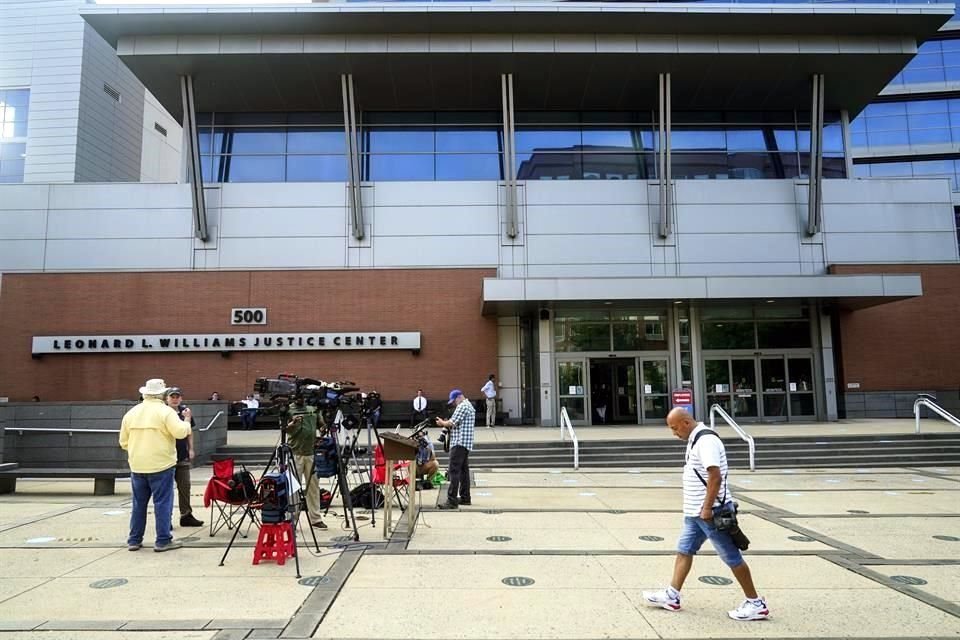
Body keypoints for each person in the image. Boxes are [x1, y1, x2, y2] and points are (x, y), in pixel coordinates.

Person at [643, 408, 769, 621]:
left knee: (731, 557)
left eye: (675, 428)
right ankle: (672, 596)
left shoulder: (706, 441)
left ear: (685, 422)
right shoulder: (695, 439)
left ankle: (756, 603)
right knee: (684, 550)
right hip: (695, 513)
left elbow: (715, 476)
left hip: (710, 513)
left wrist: (707, 508)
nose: (674, 433)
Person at [119, 378, 191, 552]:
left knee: (138, 504)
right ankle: (163, 540)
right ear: (162, 394)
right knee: (162, 503)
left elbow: (123, 442)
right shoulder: (166, 412)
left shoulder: (131, 413)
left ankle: (134, 540)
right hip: (161, 464)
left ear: (145, 393)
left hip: (137, 465)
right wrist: (187, 420)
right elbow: (180, 432)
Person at [284, 396, 327, 529]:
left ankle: (315, 518)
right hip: (295, 453)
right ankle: (292, 519)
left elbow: (322, 424)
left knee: (313, 487)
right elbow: (284, 429)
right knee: (293, 488)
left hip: (310, 453)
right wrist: (292, 423)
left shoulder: (312, 409)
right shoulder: (288, 410)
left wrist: (323, 427)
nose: (300, 399)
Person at [165, 387, 203, 528]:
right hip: (167, 457)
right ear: (167, 398)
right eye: (172, 397)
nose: (175, 399)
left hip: (182, 455)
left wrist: (191, 449)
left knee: (185, 487)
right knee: (166, 490)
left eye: (177, 397)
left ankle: (186, 515)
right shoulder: (163, 413)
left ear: (181, 398)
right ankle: (165, 519)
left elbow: (189, 432)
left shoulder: (185, 412)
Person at [436, 389, 475, 509]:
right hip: (465, 444)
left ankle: (452, 500)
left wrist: (442, 423)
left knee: (454, 471)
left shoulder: (463, 406)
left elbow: (451, 423)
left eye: (454, 401)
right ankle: (465, 497)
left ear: (459, 397)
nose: (454, 403)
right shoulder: (468, 405)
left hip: (459, 442)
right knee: (463, 471)